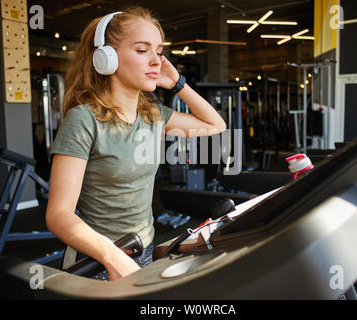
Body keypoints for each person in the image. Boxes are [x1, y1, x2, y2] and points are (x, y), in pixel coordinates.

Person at [45, 7, 226, 282]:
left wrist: (178, 83)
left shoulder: (152, 114)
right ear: (105, 58)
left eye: (158, 51)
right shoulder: (83, 119)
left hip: (143, 251)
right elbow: (58, 214)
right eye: (142, 50)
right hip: (97, 262)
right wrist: (112, 256)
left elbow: (216, 125)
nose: (156, 61)